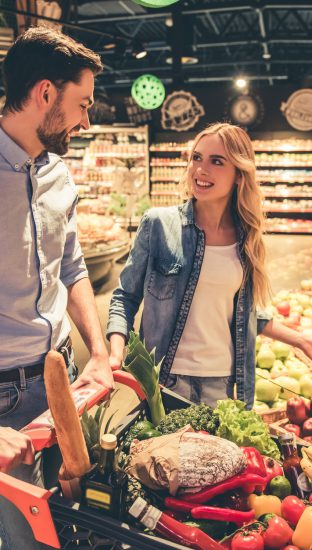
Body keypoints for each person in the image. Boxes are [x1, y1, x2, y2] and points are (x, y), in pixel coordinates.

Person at [107, 122, 312, 408]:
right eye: (196, 158)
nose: (201, 170)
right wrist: (115, 355)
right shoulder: (159, 225)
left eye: (217, 161)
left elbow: (244, 312)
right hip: (165, 381)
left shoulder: (247, 238)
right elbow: (124, 297)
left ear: (239, 175)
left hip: (223, 382)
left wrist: (300, 340)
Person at [0, 27, 113, 549]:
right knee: (23, 537)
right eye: (82, 104)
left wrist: (98, 353)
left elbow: (72, 270)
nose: (87, 120)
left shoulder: (60, 176)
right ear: (45, 93)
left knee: (71, 522)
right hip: (5, 398)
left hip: (62, 378)